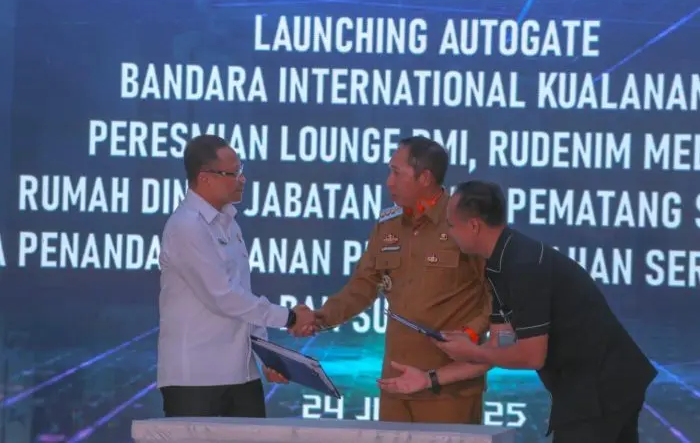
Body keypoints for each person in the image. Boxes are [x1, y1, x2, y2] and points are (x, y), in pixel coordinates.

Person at [378, 180, 658, 443]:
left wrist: (472, 351)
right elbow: (499, 349)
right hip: (597, 386)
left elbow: (531, 356)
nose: (449, 234)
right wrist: (428, 378)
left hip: (601, 387)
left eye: (451, 225)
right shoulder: (499, 265)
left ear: (474, 226)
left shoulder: (524, 265)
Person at [302, 137, 492, 424]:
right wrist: (320, 317)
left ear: (424, 178)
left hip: (449, 387)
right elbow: (362, 286)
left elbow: (497, 295)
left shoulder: (465, 222)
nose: (388, 182)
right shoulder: (388, 224)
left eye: (396, 172)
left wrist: (472, 334)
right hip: (396, 383)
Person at [157, 135, 316, 418]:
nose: (242, 180)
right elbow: (223, 297)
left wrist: (267, 356)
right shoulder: (186, 226)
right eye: (233, 173)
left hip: (242, 375)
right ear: (205, 178)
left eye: (241, 171)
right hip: (196, 379)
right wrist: (290, 318)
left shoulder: (229, 224)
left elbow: (243, 296)